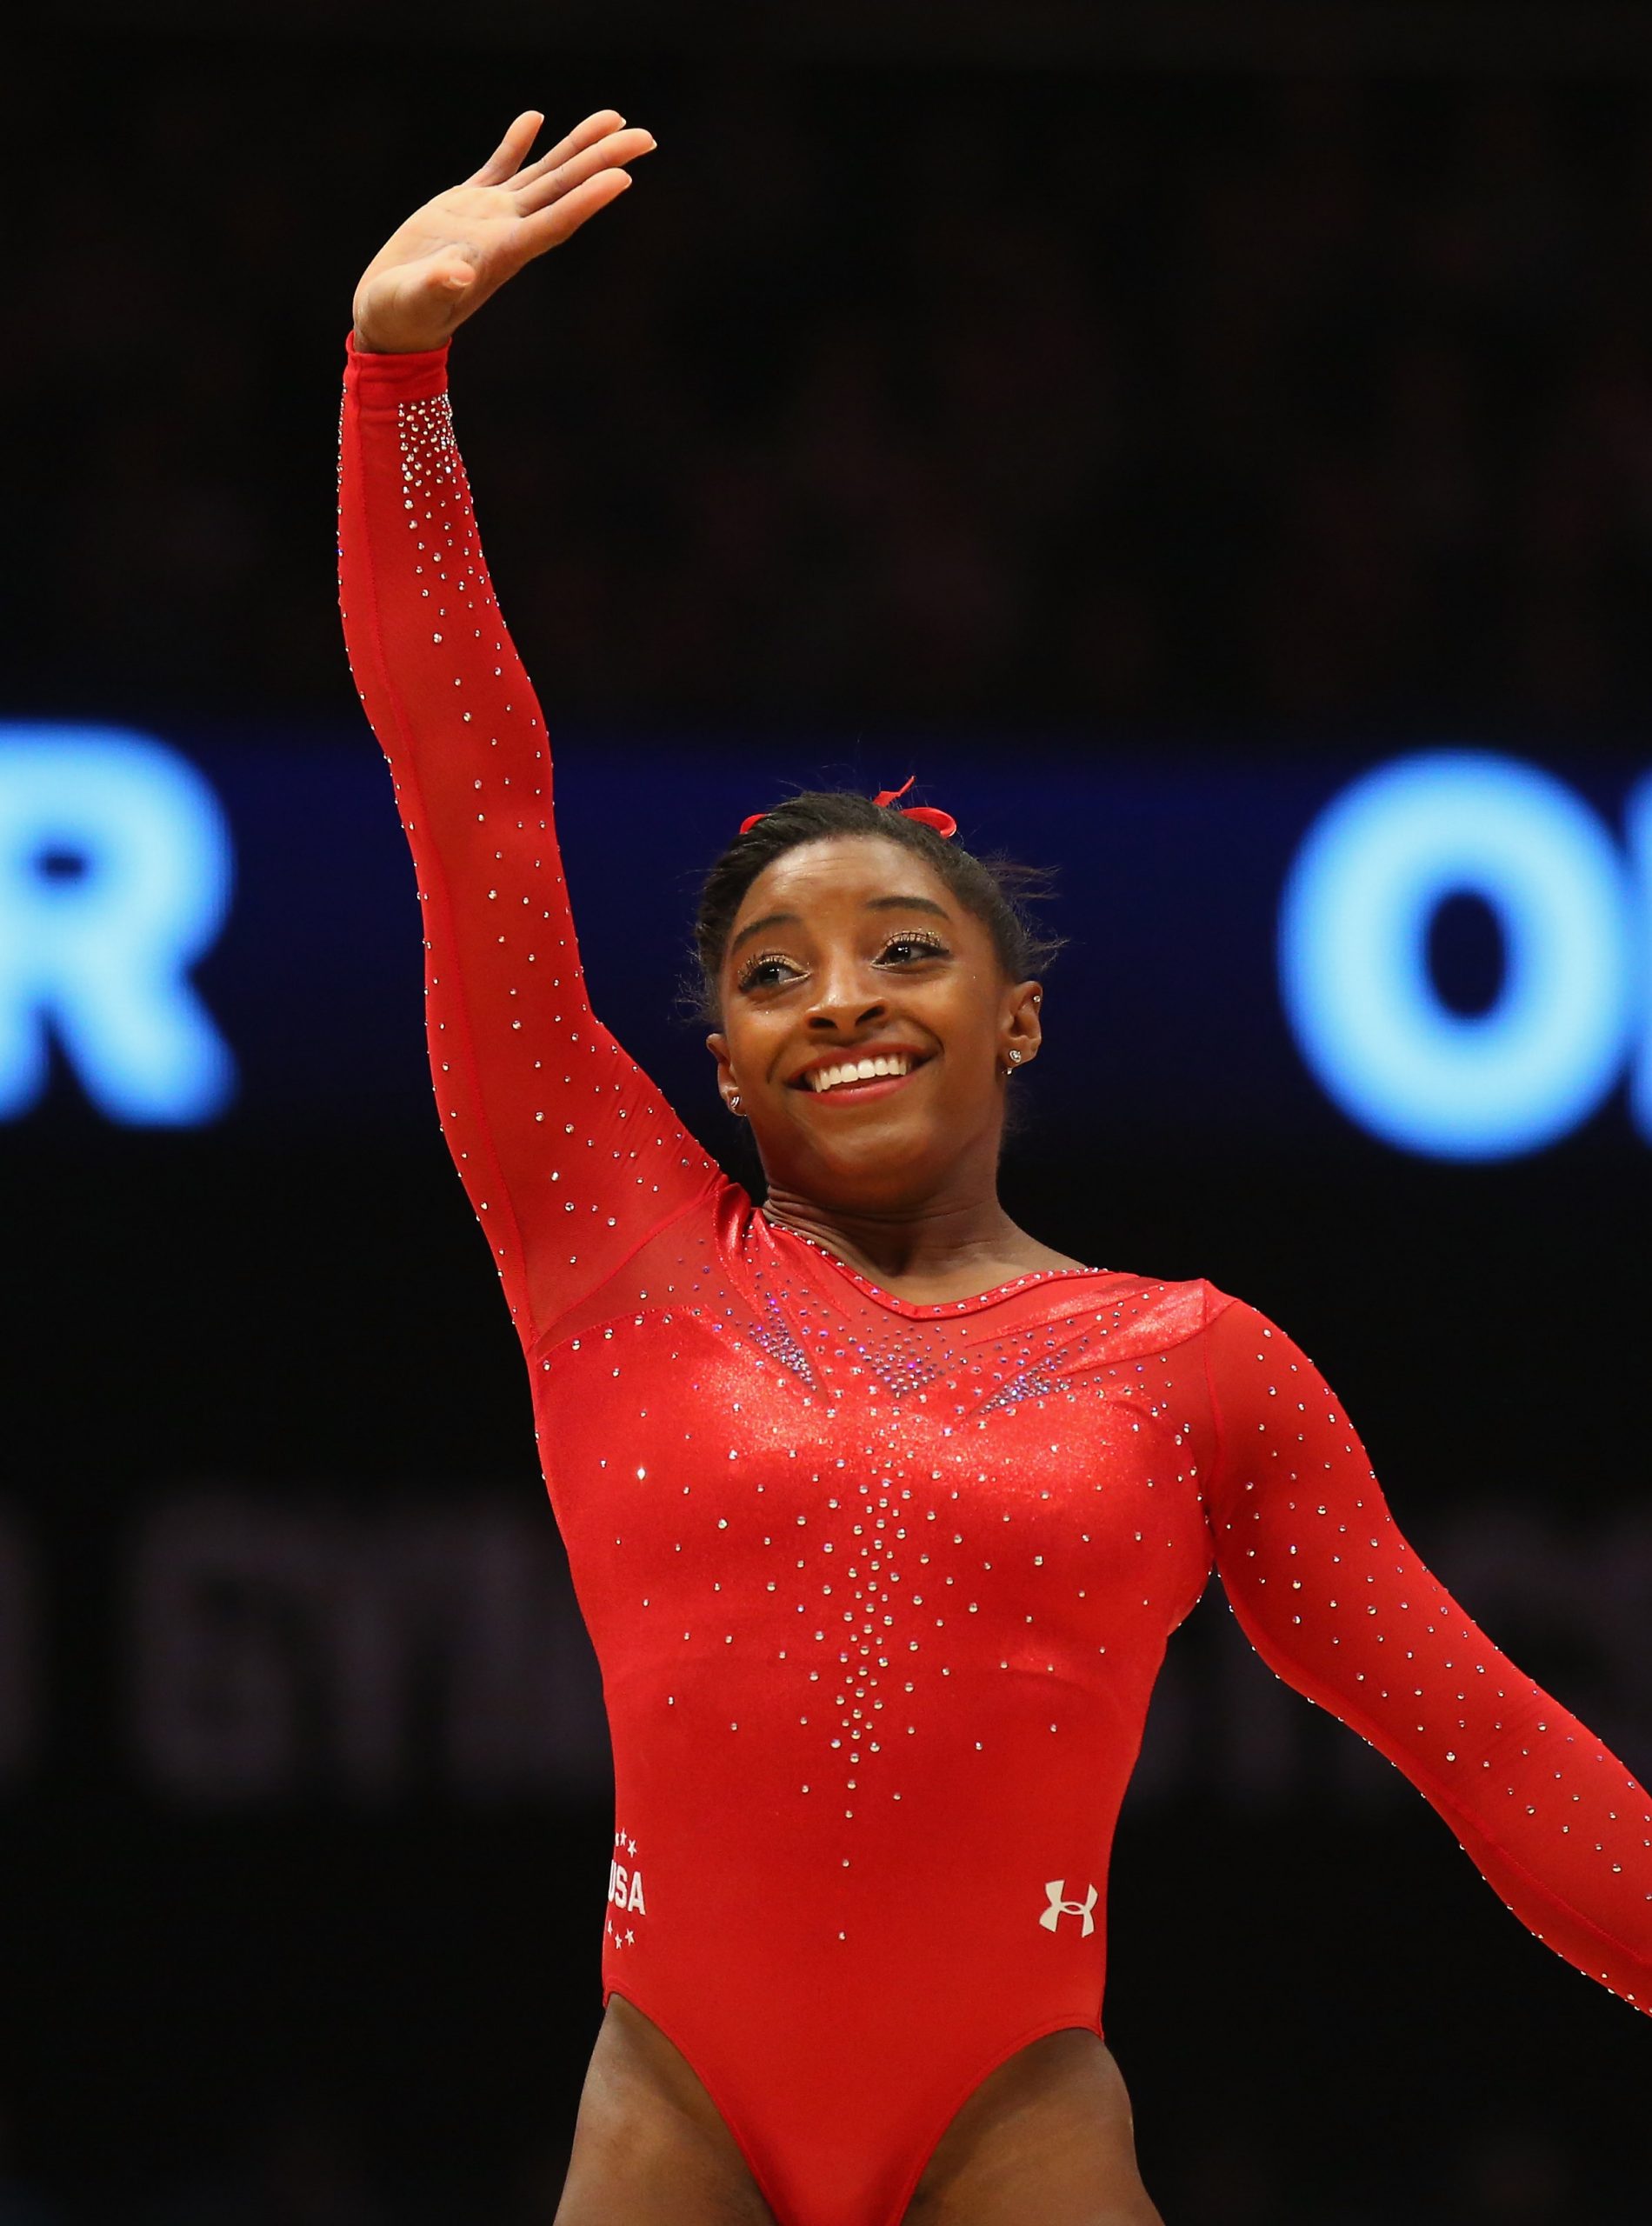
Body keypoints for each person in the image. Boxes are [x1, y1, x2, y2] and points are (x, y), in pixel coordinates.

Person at [338, 107, 1652, 2226]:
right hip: (665, 2103)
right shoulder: (604, 1235)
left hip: (1014, 2121)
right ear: (726, 1061)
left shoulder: (1196, 1365)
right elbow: (466, 796)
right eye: (771, 971)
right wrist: (395, 384)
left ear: (1014, 1015)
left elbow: (1490, 1754)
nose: (835, 997)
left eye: (900, 950)